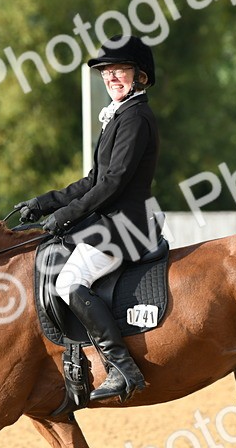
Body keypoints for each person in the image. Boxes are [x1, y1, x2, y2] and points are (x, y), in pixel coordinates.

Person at [15, 35, 160, 403]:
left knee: (70, 282)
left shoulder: (135, 118)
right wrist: (44, 203)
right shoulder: (120, 116)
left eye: (119, 70)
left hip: (128, 226)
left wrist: (65, 216)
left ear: (140, 76)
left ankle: (122, 368)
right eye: (107, 72)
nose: (111, 77)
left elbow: (113, 183)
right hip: (111, 221)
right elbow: (93, 180)